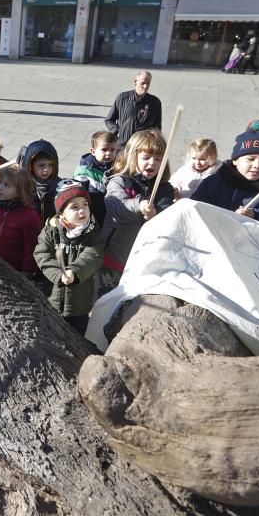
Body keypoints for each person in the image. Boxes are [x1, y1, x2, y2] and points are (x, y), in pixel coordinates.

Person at [99, 130, 174, 290]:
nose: (153, 163)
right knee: (105, 297)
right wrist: (140, 204)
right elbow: (117, 207)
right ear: (133, 157)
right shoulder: (118, 181)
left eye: (158, 159)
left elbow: (168, 215)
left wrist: (156, 214)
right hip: (114, 255)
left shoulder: (165, 188)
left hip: (144, 259)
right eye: (146, 158)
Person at [34, 180, 104, 335]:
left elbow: (94, 255)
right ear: (61, 213)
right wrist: (59, 275)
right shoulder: (51, 230)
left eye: (85, 204)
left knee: (77, 336)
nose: (82, 211)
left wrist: (75, 271)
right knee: (52, 335)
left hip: (79, 303)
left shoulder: (92, 231)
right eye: (75, 207)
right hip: (52, 298)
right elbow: (42, 254)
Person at [191, 121, 259, 223]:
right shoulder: (216, 181)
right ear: (235, 160)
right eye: (250, 159)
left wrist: (254, 215)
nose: (257, 165)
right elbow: (195, 203)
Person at [0, 166, 41, 276]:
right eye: (0, 183)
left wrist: (27, 270)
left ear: (20, 192)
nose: (0, 187)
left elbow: (31, 246)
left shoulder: (29, 216)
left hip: (12, 269)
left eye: (7, 185)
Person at [104, 71, 162, 149]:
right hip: (123, 145)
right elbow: (109, 120)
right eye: (143, 83)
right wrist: (117, 132)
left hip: (142, 147)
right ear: (135, 82)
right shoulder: (122, 98)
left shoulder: (155, 102)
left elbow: (157, 128)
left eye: (148, 83)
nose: (145, 86)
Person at [18, 139, 61, 223]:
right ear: (30, 165)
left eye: (50, 165)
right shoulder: (22, 185)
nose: (46, 169)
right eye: (41, 165)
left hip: (50, 231)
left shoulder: (60, 186)